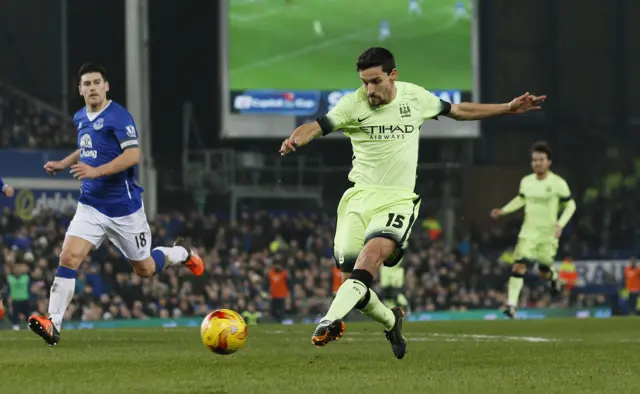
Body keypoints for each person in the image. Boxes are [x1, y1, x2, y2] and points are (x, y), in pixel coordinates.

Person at [279, 47, 545, 358]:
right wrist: (296, 138)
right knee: (350, 281)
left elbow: (458, 111)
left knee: (371, 256)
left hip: (398, 199)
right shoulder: (352, 104)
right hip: (358, 198)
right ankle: (392, 321)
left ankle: (329, 320)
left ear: (393, 75)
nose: (369, 90)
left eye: (375, 81)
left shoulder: (415, 98)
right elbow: (317, 126)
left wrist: (508, 108)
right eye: (364, 82)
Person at [28, 63, 205, 346]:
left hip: (124, 210)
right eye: (86, 84)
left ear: (106, 86)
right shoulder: (80, 116)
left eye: (97, 82)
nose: (92, 88)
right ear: (80, 89)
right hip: (90, 206)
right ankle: (54, 324)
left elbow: (133, 155)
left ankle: (182, 253)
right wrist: (64, 163)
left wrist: (96, 171)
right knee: (68, 258)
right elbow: (86, 146)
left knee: (145, 269)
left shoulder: (119, 116)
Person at [491, 141, 576, 318]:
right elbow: (520, 199)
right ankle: (511, 305)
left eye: (541, 160)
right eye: (534, 160)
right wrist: (503, 210)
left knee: (543, 270)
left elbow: (571, 205)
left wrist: (560, 224)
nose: (537, 163)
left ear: (549, 162)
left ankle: (553, 279)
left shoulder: (558, 183)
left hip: (548, 234)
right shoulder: (526, 182)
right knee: (519, 265)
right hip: (528, 233)